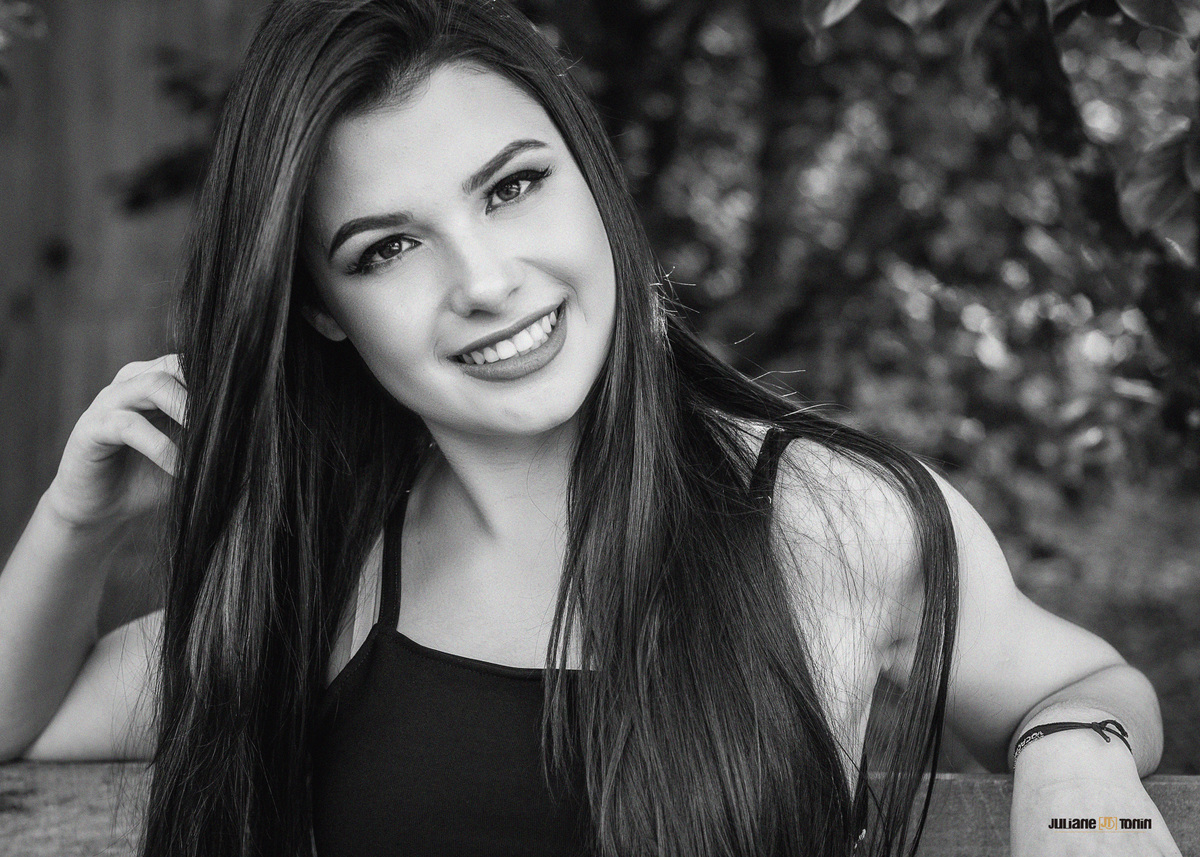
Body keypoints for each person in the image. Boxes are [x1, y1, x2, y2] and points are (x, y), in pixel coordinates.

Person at [0, 1, 1182, 855]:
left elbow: (1077, 678)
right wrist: (75, 519)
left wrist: (1073, 756)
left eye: (513, 186)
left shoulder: (827, 513)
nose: (486, 280)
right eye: (389, 246)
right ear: (321, 308)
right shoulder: (322, 571)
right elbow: (25, 723)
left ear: (591, 180)